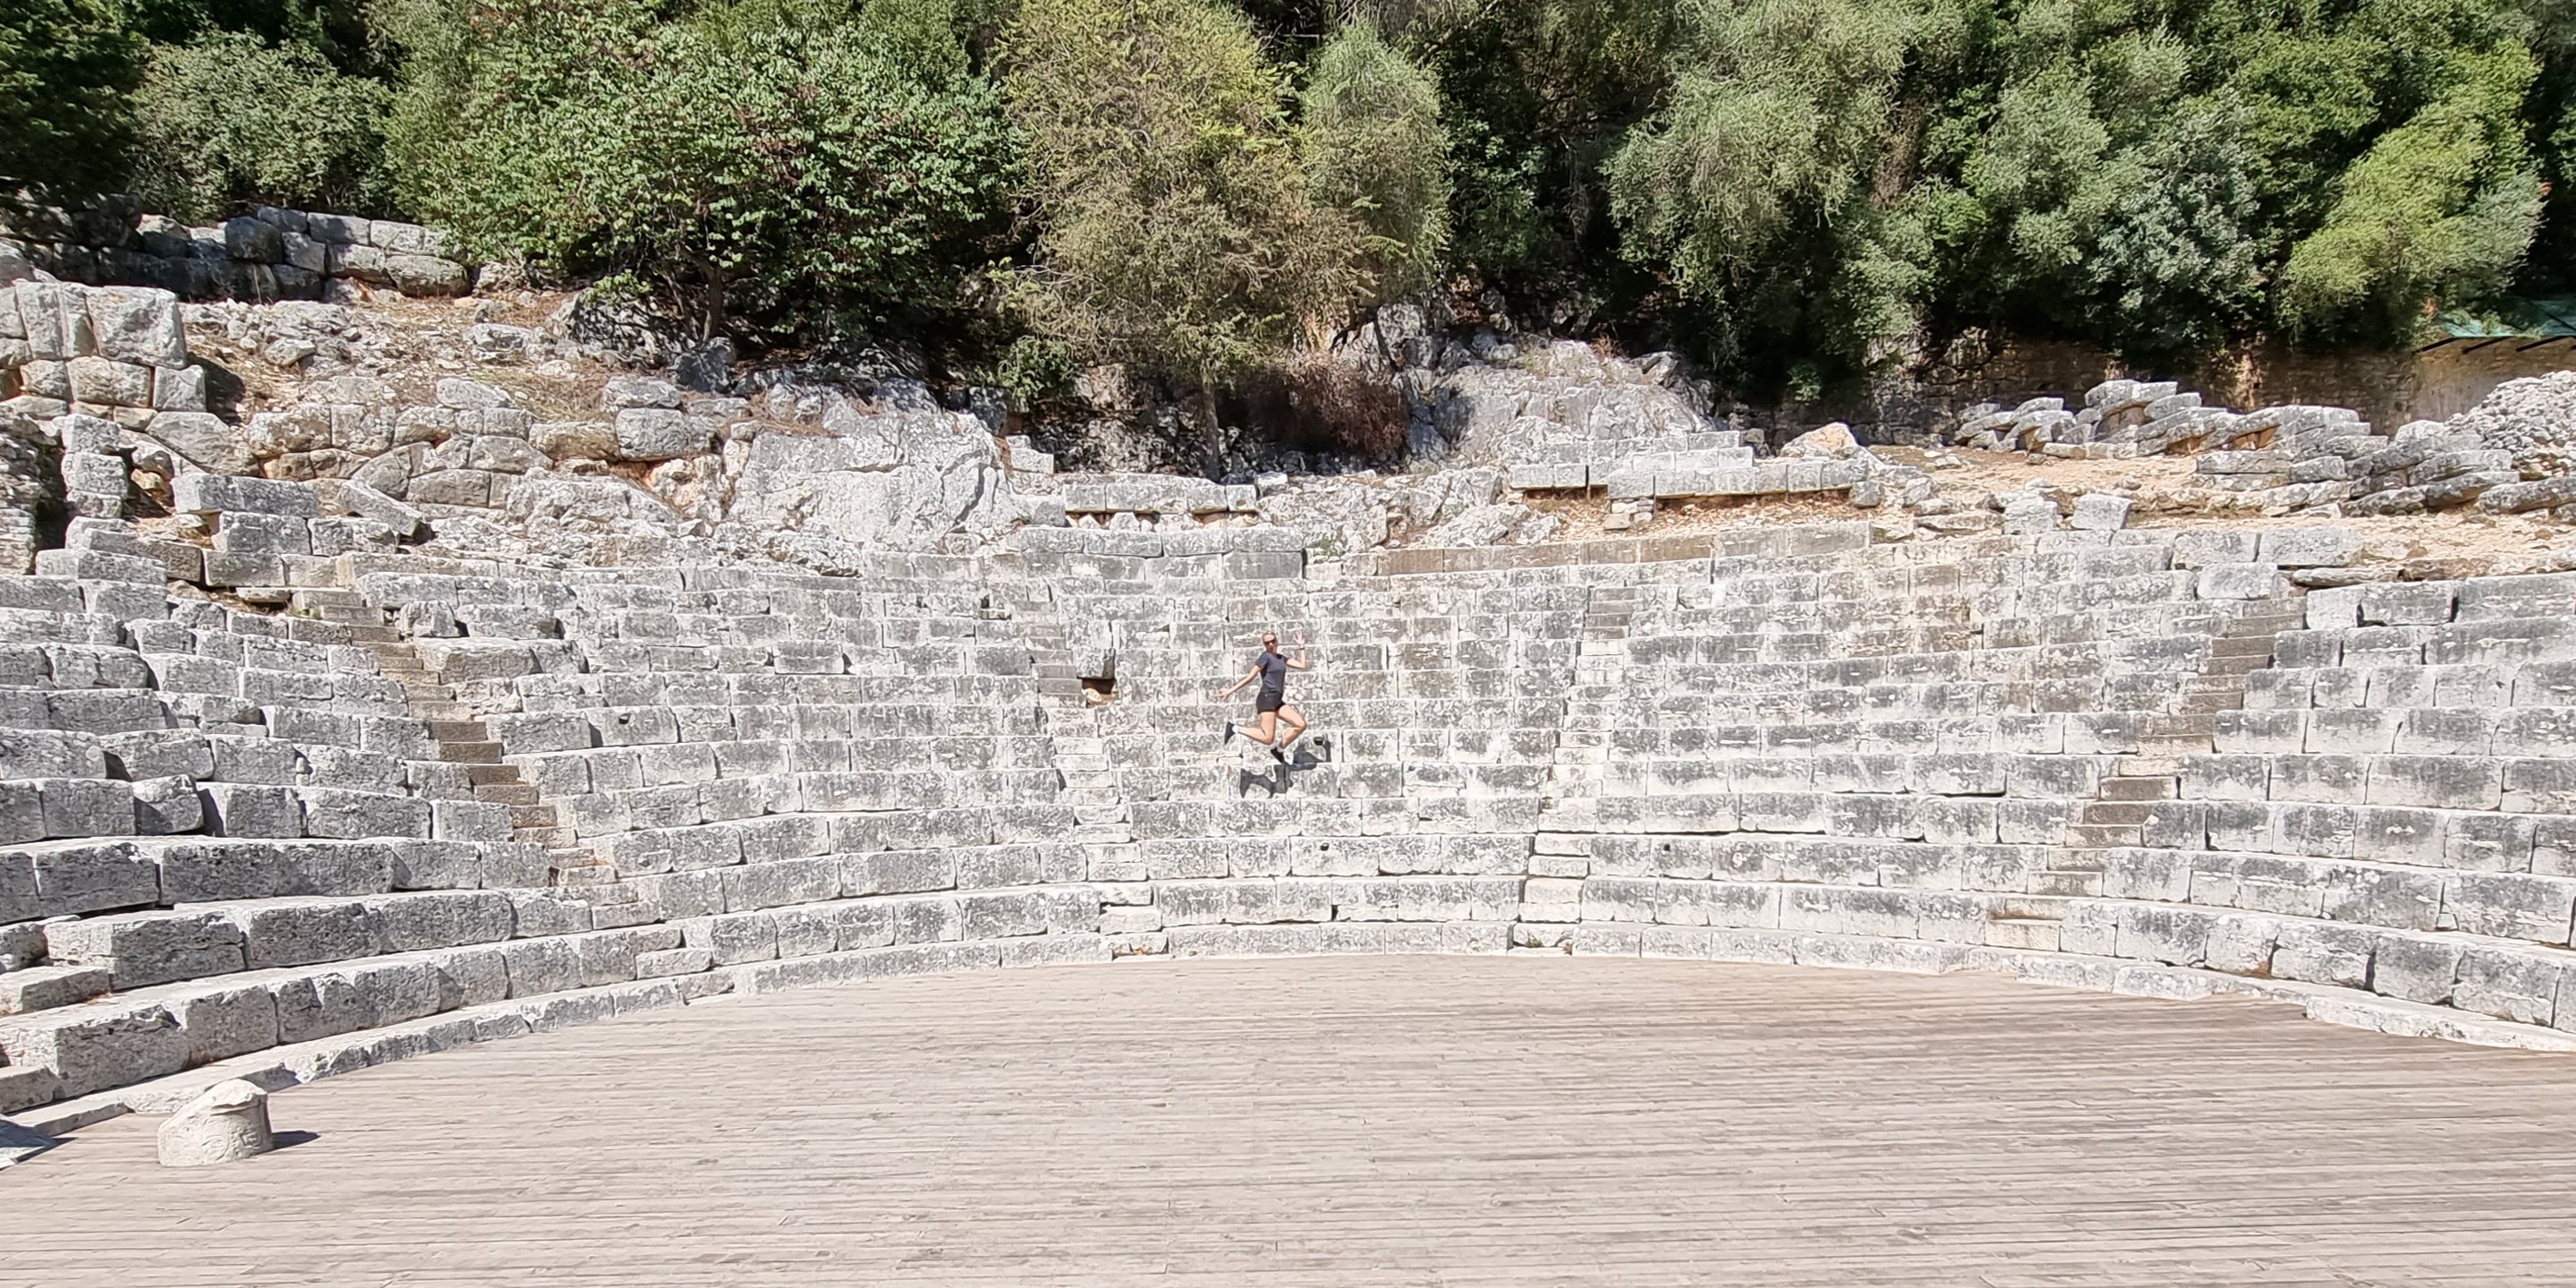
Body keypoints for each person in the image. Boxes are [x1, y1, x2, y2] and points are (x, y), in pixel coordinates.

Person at [1215, 630, 1309, 763]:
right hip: (1267, 699)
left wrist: (1301, 647)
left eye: (1273, 641)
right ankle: (1234, 728)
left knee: (1300, 724)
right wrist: (1230, 691)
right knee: (1267, 738)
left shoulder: (1281, 658)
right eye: (1267, 643)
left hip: (1277, 700)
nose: (1271, 644)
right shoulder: (1265, 657)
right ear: (1264, 644)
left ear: (1277, 641)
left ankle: (1279, 750)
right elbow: (1250, 677)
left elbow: (1303, 665)